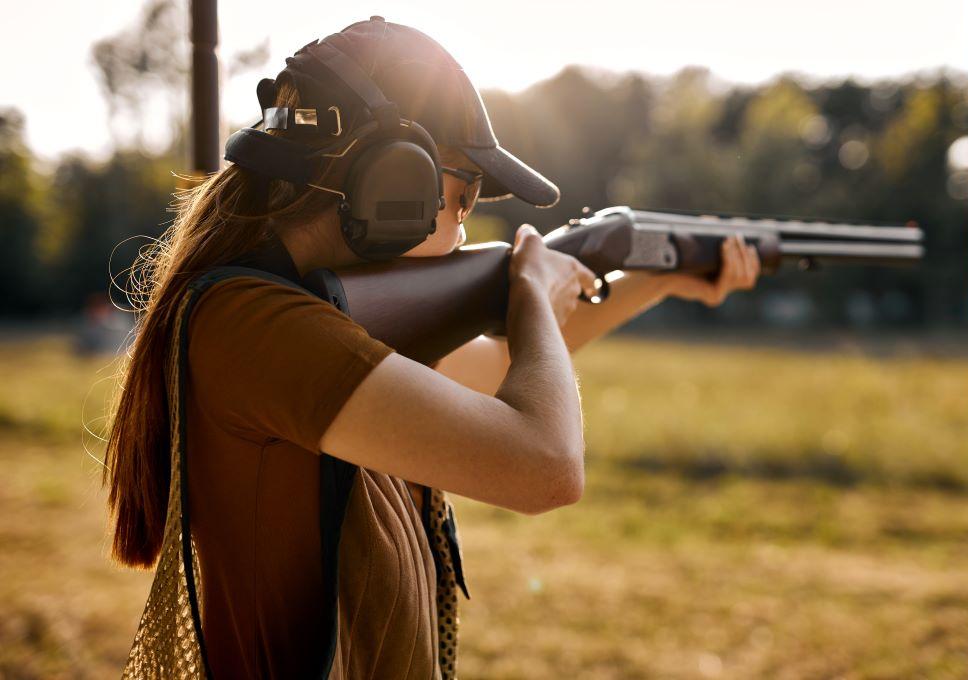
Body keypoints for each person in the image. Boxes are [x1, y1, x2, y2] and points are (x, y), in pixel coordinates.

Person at [105, 16, 760, 680]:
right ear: (394, 179)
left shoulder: (320, 324)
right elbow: (546, 468)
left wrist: (663, 277)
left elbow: (510, 366)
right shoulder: (256, 326)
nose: (465, 226)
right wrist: (530, 291)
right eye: (466, 194)